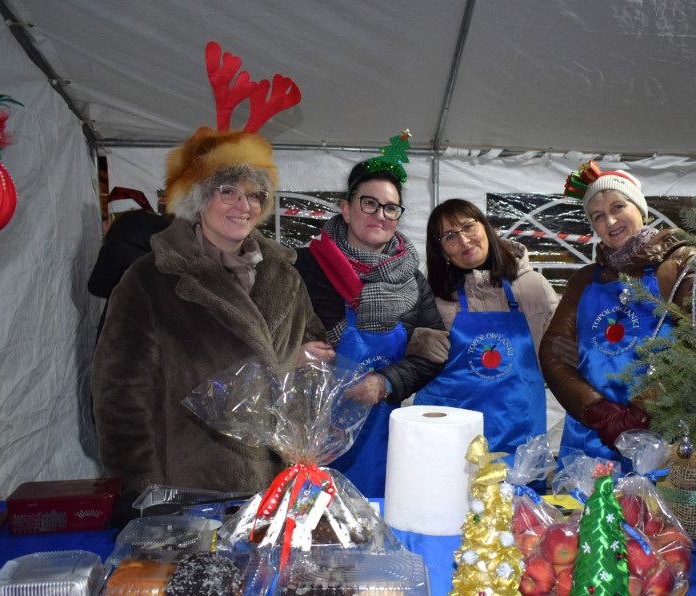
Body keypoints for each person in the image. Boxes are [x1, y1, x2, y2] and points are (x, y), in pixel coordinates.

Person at [92, 126, 331, 496]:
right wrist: (146, 494)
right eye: (228, 191)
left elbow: (311, 354)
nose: (244, 205)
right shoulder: (151, 279)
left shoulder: (285, 276)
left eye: (254, 194)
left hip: (277, 485)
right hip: (193, 490)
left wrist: (307, 363)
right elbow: (120, 400)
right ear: (198, 197)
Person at [295, 156, 448, 497]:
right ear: (346, 209)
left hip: (382, 438)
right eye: (370, 203)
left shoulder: (412, 280)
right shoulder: (304, 267)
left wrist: (385, 382)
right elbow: (270, 334)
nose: (381, 214)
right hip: (310, 437)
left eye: (391, 208)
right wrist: (292, 354)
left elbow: (434, 354)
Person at [539, 164, 696, 472]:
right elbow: (553, 352)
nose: (609, 221)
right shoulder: (584, 281)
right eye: (598, 216)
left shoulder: (680, 265)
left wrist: (642, 415)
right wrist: (601, 414)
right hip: (592, 437)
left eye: (617, 207)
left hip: (662, 439)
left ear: (641, 210)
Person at [415, 198, 558, 459]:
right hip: (453, 432)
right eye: (450, 236)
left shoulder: (533, 287)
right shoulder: (434, 298)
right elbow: (417, 364)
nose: (464, 240)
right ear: (442, 252)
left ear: (486, 227)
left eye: (468, 227)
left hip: (519, 428)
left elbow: (559, 357)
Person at [87, 201, 170, 340]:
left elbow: (98, 286)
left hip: (119, 331)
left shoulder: (120, 235)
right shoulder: (167, 233)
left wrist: (106, 242)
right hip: (157, 332)